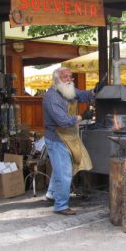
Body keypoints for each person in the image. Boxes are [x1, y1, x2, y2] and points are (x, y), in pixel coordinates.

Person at [42, 67, 94, 215]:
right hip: (57, 138)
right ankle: (61, 205)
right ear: (57, 80)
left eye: (70, 77)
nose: (70, 79)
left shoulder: (67, 90)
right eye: (66, 77)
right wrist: (82, 117)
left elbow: (82, 94)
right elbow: (64, 122)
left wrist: (94, 92)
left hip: (68, 136)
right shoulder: (52, 97)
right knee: (64, 171)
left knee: (60, 168)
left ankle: (52, 194)